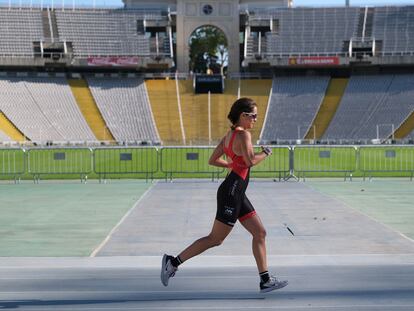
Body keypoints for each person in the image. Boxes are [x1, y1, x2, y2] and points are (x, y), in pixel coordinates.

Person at [161, 97, 288, 293]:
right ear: (242, 116)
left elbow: (213, 160)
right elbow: (249, 162)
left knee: (260, 233)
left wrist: (231, 164)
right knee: (215, 239)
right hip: (232, 193)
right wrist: (265, 153)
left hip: (235, 190)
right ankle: (173, 262)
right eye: (253, 116)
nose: (255, 119)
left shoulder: (229, 136)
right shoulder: (244, 135)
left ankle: (265, 280)